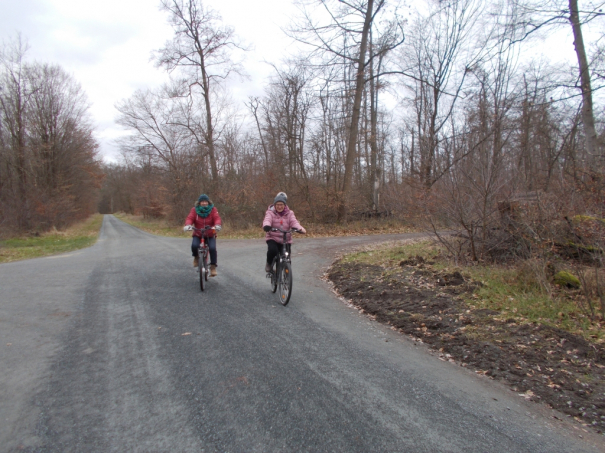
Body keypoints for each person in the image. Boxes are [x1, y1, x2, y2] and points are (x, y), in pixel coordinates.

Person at [262, 192, 306, 273]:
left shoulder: (290, 213)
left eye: (281, 204)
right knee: (273, 250)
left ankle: (286, 273)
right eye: (277, 204)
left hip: (286, 239)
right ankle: (269, 264)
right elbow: (267, 220)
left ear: (284, 205)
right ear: (274, 205)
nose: (279, 206)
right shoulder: (270, 213)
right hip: (273, 237)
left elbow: (294, 222)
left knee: (287, 256)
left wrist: (299, 229)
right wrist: (267, 226)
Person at [183, 194, 222, 277]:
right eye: (202, 202)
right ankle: (196, 257)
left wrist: (217, 225)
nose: (204, 203)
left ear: (208, 202)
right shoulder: (194, 210)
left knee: (212, 248)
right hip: (198, 233)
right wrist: (188, 225)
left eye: (205, 201)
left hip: (210, 234)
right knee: (194, 245)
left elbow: (216, 218)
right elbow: (190, 218)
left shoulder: (213, 209)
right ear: (199, 203)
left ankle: (213, 267)